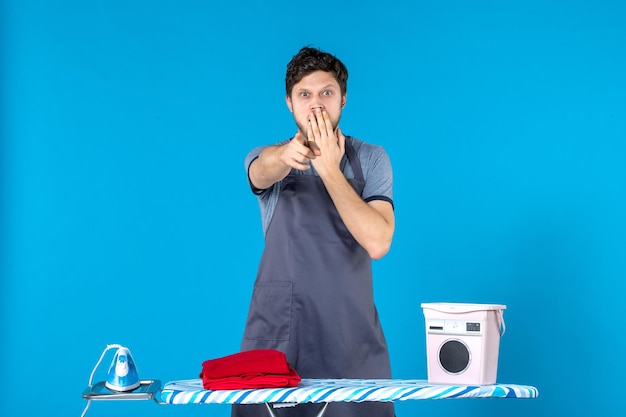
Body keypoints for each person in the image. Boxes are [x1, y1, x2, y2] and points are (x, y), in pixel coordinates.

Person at [233, 46, 395, 417]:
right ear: (289, 103)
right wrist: (285, 156)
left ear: (343, 100)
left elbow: (378, 241)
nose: (316, 105)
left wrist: (329, 169)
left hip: (349, 334)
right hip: (279, 333)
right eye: (305, 95)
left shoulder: (371, 159)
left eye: (327, 93)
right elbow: (260, 171)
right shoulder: (269, 157)